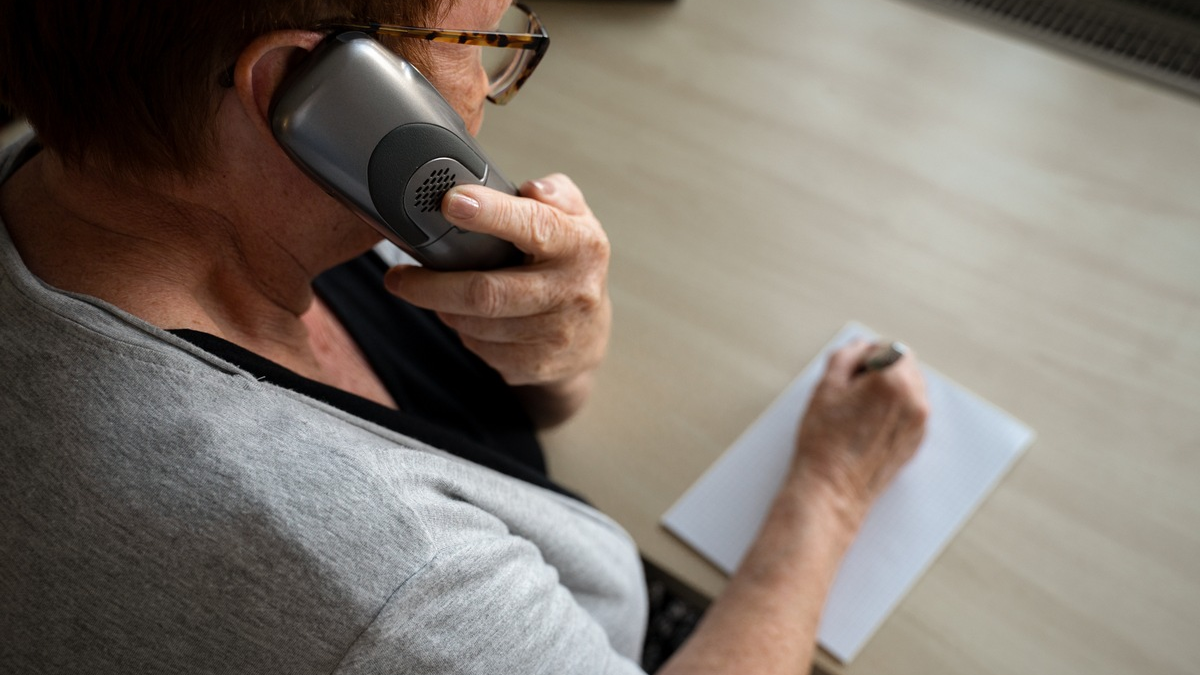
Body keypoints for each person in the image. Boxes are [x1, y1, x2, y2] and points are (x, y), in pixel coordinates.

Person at [0, 0, 929, 673]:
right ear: (302, 90)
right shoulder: (389, 582)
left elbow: (496, 411)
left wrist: (561, 350)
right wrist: (832, 493)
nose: (484, 93)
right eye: (481, 41)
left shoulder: (80, 174)